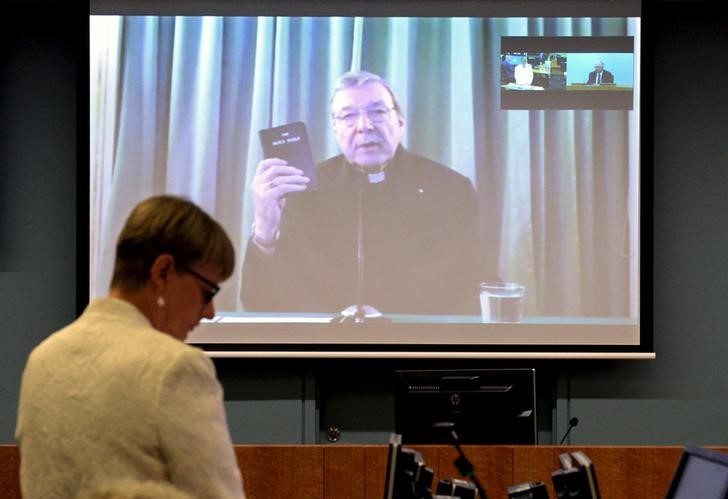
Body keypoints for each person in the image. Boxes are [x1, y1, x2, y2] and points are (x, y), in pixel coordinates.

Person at [15, 195, 246, 499]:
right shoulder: (174, 366)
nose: (210, 311)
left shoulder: (42, 359)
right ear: (162, 271)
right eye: (207, 291)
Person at [241, 70, 486, 316]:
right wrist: (265, 229)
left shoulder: (450, 189)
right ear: (336, 130)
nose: (364, 126)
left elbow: (471, 290)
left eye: (378, 112)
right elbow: (258, 303)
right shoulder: (302, 189)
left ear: (400, 123)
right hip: (323, 348)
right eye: (348, 116)